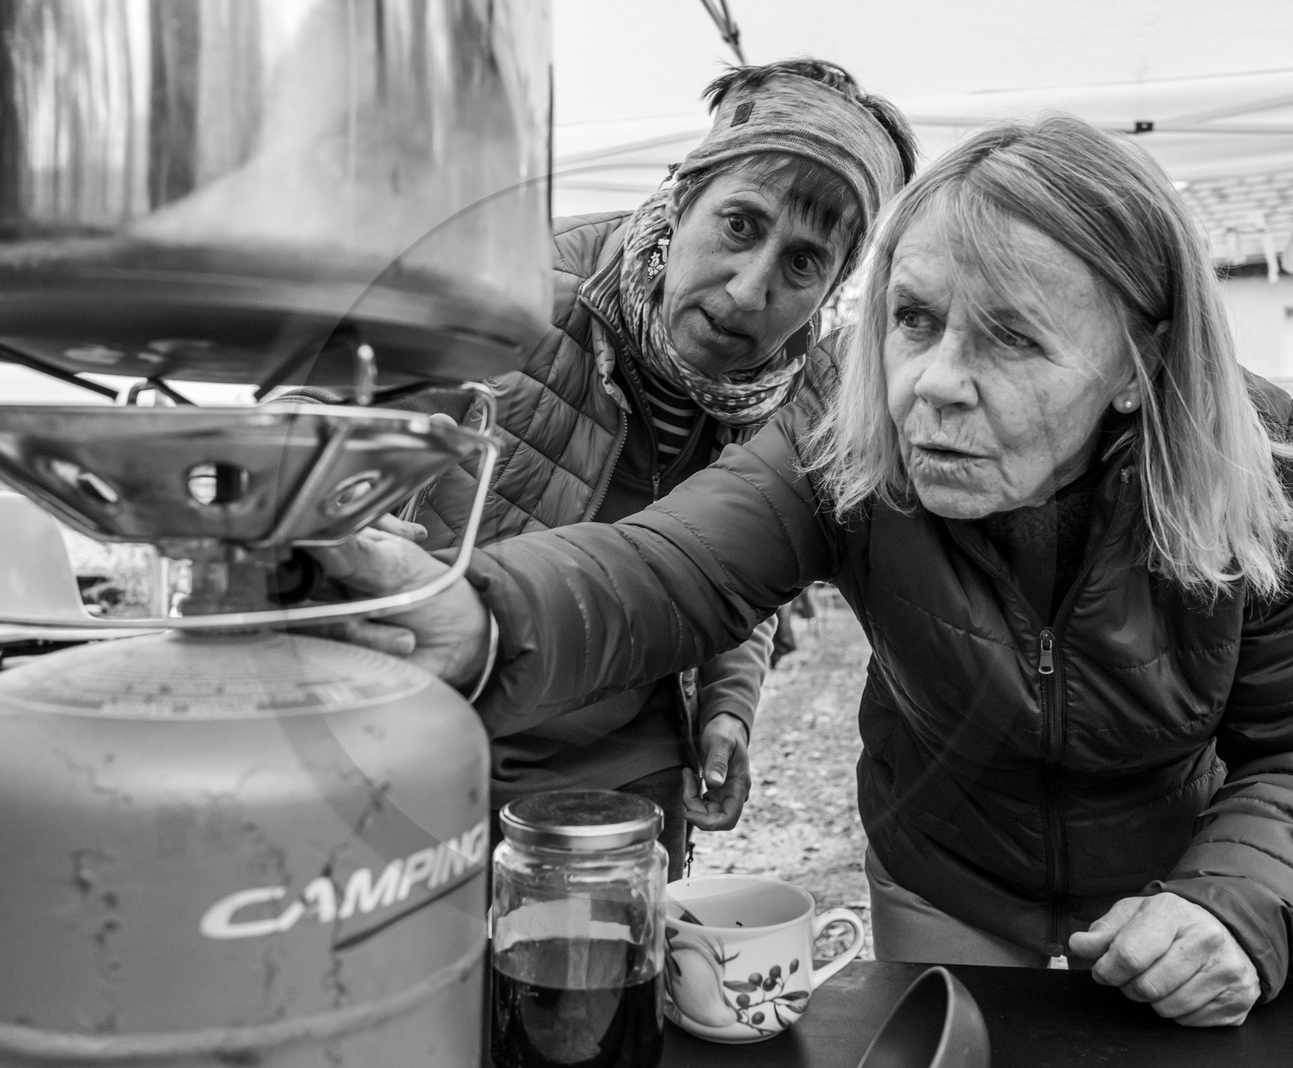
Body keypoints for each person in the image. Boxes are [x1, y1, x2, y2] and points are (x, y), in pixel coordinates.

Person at [308, 114, 1293, 1028]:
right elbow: (671, 565)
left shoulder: (1257, 466)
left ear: (1137, 367)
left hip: (1174, 876)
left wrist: (1239, 906)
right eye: (914, 319)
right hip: (943, 870)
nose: (930, 384)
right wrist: (481, 617)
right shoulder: (846, 438)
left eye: (1013, 340)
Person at [309, 59, 914, 879]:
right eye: (740, 224)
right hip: (435, 719)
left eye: (803, 263)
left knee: (605, 990)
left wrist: (727, 708)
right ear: (680, 197)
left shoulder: (796, 393)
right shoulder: (504, 288)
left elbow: (741, 565)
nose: (747, 290)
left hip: (624, 754)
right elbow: (320, 445)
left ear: (835, 287)